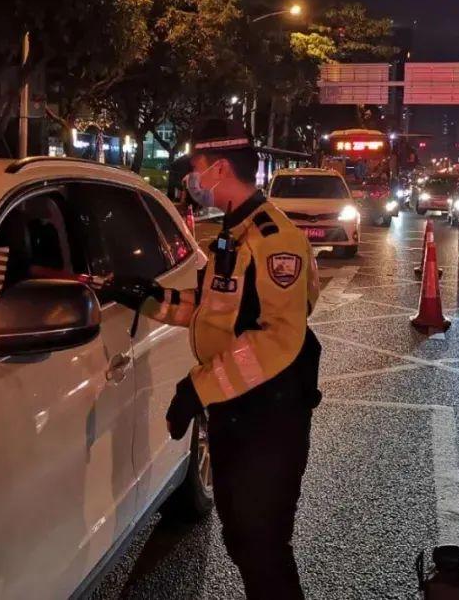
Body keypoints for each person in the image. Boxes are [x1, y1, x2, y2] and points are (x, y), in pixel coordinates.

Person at [100, 117, 322, 599]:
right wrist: (148, 299)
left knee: (262, 546)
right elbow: (212, 311)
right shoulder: (232, 234)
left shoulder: (274, 240)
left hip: (270, 415)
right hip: (235, 410)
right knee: (241, 537)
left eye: (195, 169)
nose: (190, 181)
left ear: (219, 168)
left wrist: (196, 387)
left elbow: (279, 338)